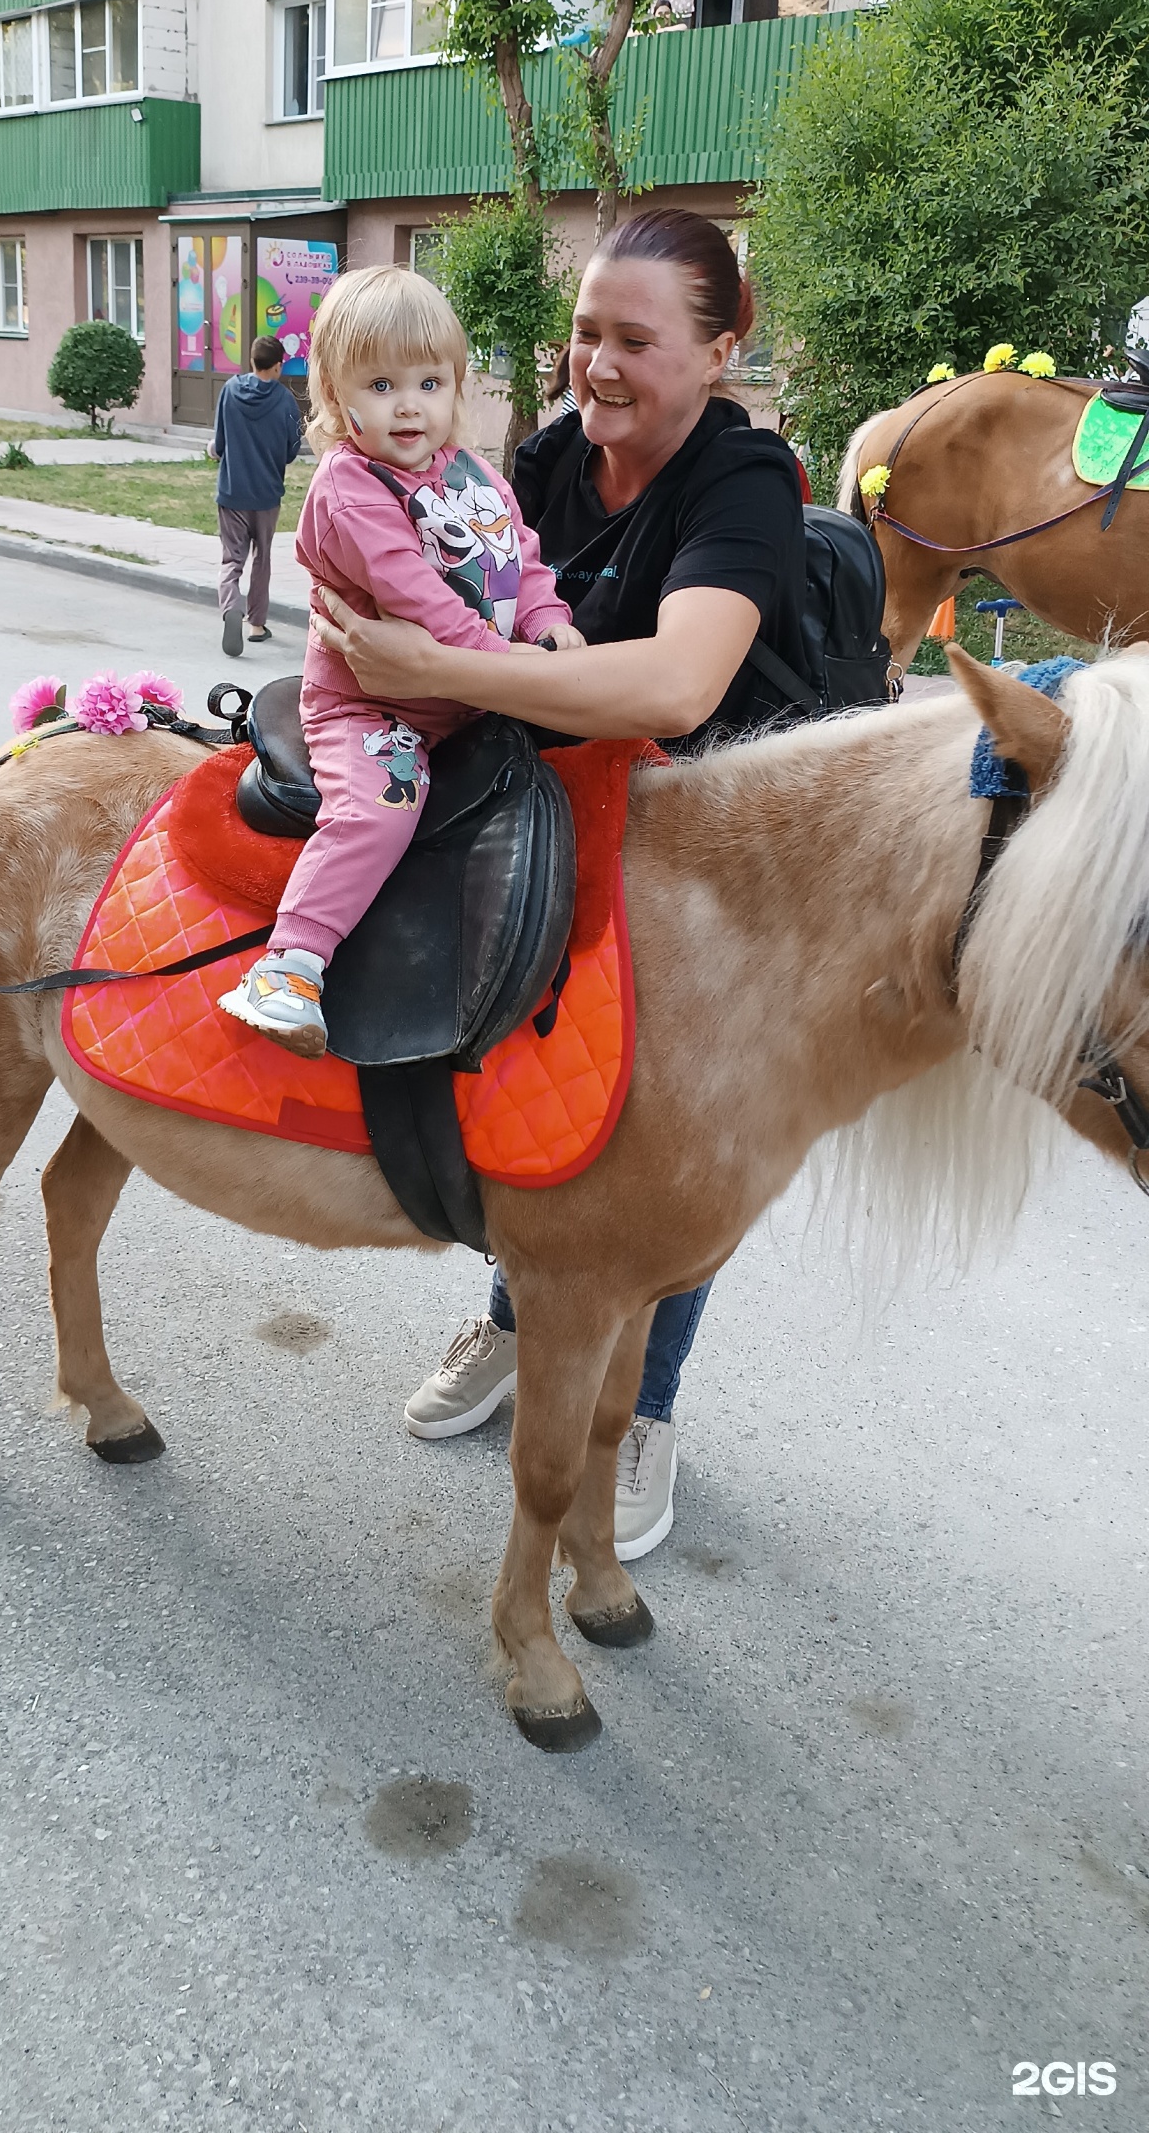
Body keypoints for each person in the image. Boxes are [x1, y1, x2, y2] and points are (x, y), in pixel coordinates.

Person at [310, 210, 810, 1558]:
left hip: (711, 861)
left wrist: (449, 670)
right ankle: (521, 1314)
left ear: (721, 346)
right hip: (561, 815)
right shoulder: (542, 456)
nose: (596, 363)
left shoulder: (741, 481)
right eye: (586, 330)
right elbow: (445, 572)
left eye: (634, 340)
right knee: (532, 1081)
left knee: (678, 1137)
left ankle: (642, 1401)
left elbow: (674, 681)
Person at [217, 265, 581, 1058]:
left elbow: (522, 556)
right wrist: (524, 675)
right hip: (377, 706)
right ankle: (291, 962)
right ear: (337, 396)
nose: (409, 403)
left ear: (457, 385)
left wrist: (551, 622)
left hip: (468, 689)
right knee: (383, 805)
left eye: (429, 380)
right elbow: (424, 603)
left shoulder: (473, 471)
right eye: (380, 383)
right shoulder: (350, 489)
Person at [213, 333, 305, 657]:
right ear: (278, 366)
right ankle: (256, 624)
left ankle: (231, 608)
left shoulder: (230, 391)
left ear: (252, 362)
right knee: (262, 557)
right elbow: (292, 451)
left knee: (231, 559)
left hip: (232, 492)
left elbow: (220, 444)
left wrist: (215, 450)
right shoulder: (285, 402)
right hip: (266, 495)